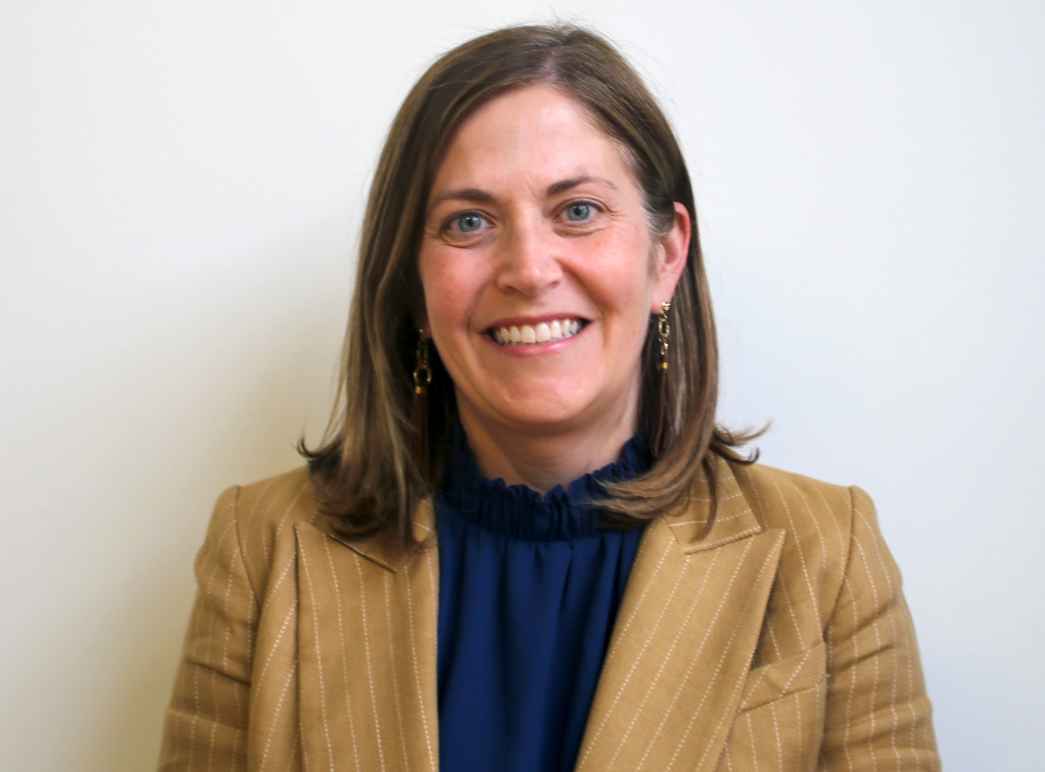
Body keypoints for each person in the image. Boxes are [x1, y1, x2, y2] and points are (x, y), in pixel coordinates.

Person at [158, 23, 940, 771]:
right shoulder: (262, 549)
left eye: (577, 211)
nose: (528, 269)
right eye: (467, 221)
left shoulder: (826, 555)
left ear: (664, 256)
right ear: (411, 286)